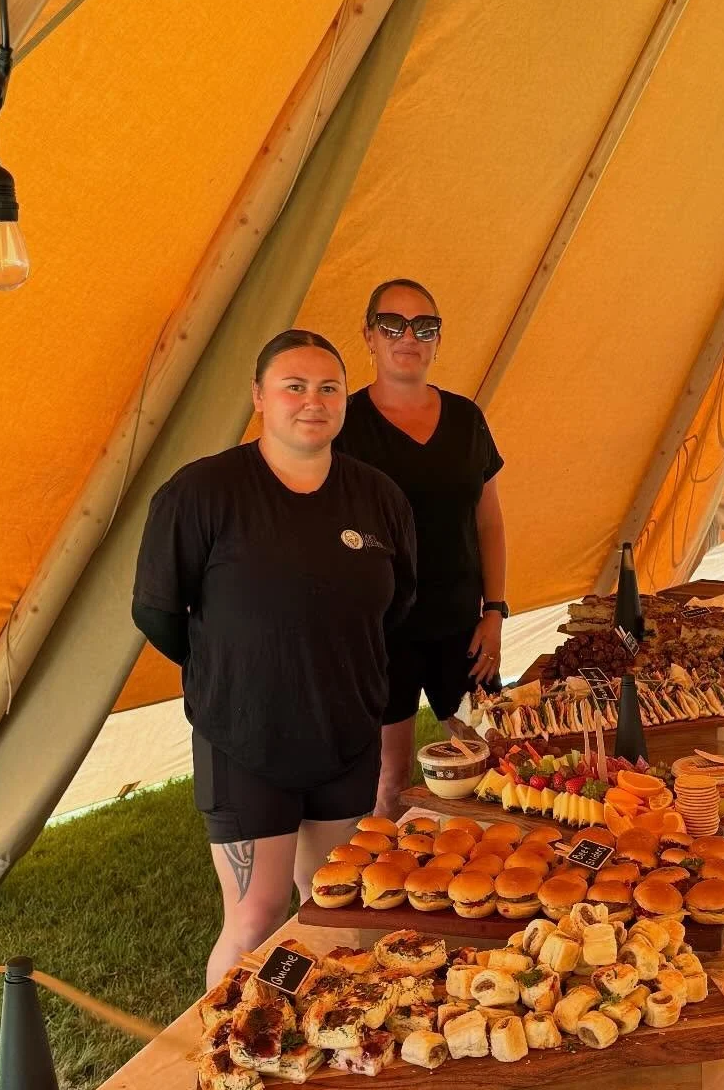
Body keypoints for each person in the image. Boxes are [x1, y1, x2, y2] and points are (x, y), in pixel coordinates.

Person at [132, 329, 416, 986]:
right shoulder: (201, 494)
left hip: (345, 735)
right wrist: (229, 666)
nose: (312, 401)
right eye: (294, 386)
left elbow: (396, 604)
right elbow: (156, 611)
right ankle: (231, 1061)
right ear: (259, 397)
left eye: (328, 387)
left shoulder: (378, 498)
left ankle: (312, 1037)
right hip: (246, 740)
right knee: (257, 916)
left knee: (332, 904)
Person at [337, 278, 507, 815]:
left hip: (463, 625)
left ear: (438, 338)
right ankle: (381, 883)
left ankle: (494, 874)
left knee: (495, 759)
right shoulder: (342, 424)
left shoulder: (466, 419)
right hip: (382, 633)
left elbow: (490, 521)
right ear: (368, 336)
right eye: (393, 325)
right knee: (392, 777)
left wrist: (496, 611)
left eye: (424, 326)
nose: (408, 337)